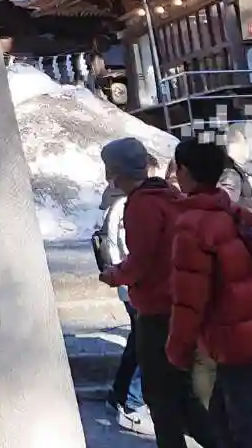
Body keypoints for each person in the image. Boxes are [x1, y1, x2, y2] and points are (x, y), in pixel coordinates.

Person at [98, 137, 217, 448]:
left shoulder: (142, 204)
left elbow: (142, 261)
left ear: (116, 172)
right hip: (185, 305)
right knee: (184, 394)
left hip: (158, 312)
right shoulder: (170, 196)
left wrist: (114, 275)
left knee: (160, 397)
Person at [168, 139, 252, 448]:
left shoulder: (193, 225)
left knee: (246, 428)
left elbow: (189, 299)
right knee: (226, 420)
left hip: (235, 337)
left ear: (185, 172)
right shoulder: (239, 214)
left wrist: (178, 348)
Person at [93, 167, 151, 436]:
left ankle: (119, 395)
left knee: (138, 344)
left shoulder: (118, 203)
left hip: (129, 284)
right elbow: (134, 252)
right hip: (136, 287)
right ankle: (132, 403)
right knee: (147, 346)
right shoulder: (127, 205)